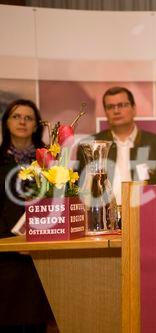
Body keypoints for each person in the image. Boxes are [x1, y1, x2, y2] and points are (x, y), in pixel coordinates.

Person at [0, 99, 54, 331]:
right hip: (4, 256)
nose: (22, 121)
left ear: (36, 126)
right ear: (6, 123)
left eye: (28, 117)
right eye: (16, 116)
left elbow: (58, 203)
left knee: (35, 323)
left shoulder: (50, 162)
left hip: (39, 258)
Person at [77, 86, 156, 205]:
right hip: (104, 218)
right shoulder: (90, 146)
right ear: (105, 112)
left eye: (122, 105)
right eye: (110, 107)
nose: (116, 111)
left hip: (147, 216)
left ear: (134, 108)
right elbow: (82, 192)